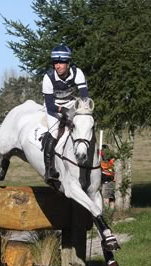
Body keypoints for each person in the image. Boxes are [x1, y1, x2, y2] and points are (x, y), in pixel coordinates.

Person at [42, 44, 89, 184]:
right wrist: (62, 112)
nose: (58, 66)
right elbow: (50, 105)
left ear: (68, 63)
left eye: (61, 62)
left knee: (83, 124)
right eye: (56, 62)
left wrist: (83, 109)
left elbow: (84, 96)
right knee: (54, 132)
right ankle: (49, 170)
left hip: (70, 104)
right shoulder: (48, 78)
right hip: (54, 107)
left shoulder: (77, 73)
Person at [100, 144, 115, 209]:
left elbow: (108, 166)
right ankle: (110, 210)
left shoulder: (111, 160)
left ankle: (107, 211)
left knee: (106, 196)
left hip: (109, 180)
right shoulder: (101, 158)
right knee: (109, 197)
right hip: (104, 179)